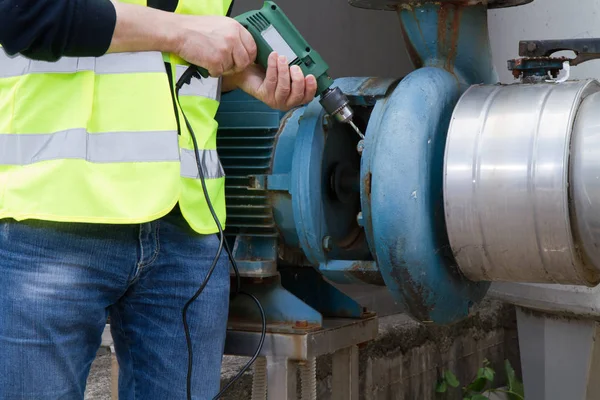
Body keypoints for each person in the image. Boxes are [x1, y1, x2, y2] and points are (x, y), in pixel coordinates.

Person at [0, 0, 317, 399]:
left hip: (186, 230)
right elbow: (26, 14)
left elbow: (163, 68)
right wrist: (186, 33)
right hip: (54, 212)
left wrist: (239, 74)